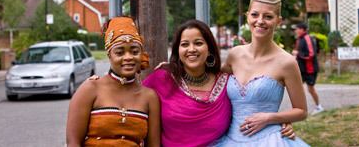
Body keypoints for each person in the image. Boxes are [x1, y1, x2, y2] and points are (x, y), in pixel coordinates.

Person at [88, 19, 296, 146]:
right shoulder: (162, 80)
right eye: (184, 44)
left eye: (198, 43)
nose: (191, 49)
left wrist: (278, 124)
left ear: (209, 48)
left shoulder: (227, 84)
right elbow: (130, 96)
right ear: (177, 50)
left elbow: (251, 107)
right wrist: (101, 84)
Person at [215, 0, 309, 146]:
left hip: (269, 140)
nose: (260, 21)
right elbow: (208, 80)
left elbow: (301, 111)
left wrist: (271, 118)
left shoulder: (287, 62)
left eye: (268, 16)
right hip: (230, 140)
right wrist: (172, 68)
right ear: (247, 16)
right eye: (255, 15)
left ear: (278, 21)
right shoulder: (234, 55)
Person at [66, 16, 160, 147]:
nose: (128, 57)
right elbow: (73, 142)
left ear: (141, 54)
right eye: (120, 52)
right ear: (109, 55)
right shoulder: (90, 89)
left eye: (134, 51)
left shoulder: (149, 97)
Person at [293, 22, 324, 115]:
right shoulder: (300, 39)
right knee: (296, 87)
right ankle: (298, 109)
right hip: (302, 69)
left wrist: (298, 54)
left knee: (310, 89)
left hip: (310, 69)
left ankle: (319, 107)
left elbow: (311, 54)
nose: (296, 30)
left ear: (302, 29)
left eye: (297, 28)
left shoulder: (307, 38)